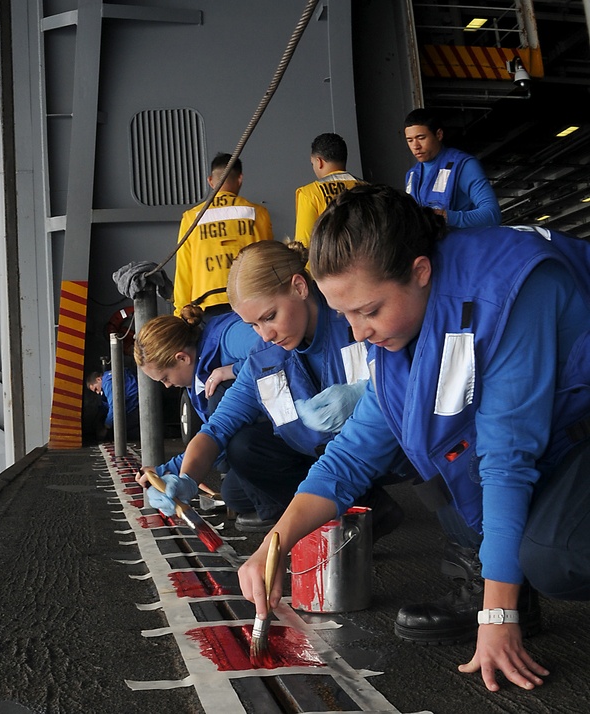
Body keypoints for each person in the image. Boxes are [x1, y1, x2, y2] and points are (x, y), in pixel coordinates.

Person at [237, 184, 590, 694]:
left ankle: (508, 591)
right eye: (344, 316)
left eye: (369, 310)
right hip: (559, 431)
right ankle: (509, 585)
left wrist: (495, 617)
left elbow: (508, 458)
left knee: (556, 554)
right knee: (450, 479)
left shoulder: (510, 289)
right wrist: (275, 544)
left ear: (420, 271)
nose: (357, 333)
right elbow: (351, 456)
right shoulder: (403, 327)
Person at [140, 241, 402, 535]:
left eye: (269, 317)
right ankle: (362, 514)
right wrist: (183, 475)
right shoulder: (264, 359)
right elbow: (216, 430)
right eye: (253, 325)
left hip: (392, 446)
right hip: (330, 458)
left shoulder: (355, 319)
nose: (265, 335)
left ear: (300, 287)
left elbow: (414, 370)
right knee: (242, 457)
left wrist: (369, 393)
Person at [173, 153, 273, 316]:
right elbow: (269, 261)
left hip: (206, 306)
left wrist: (180, 312)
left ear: (211, 181)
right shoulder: (259, 213)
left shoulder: (192, 217)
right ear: (240, 179)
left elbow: (183, 270)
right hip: (251, 301)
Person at [403, 108, 500, 228]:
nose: (415, 146)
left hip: (462, 244)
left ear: (439, 134)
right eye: (410, 140)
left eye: (421, 138)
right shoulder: (412, 175)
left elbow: (492, 215)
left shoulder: (463, 165)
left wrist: (446, 217)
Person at [293, 133, 362, 247]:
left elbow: (304, 245)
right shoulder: (368, 188)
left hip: (327, 264)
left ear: (319, 162)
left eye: (312, 163)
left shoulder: (309, 194)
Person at [86, 368, 139, 437]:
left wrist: (106, 426)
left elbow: (115, 406)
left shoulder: (107, 383)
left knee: (120, 430)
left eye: (96, 389)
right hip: (136, 399)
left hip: (138, 403)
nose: (98, 392)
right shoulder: (110, 374)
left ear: (98, 379)